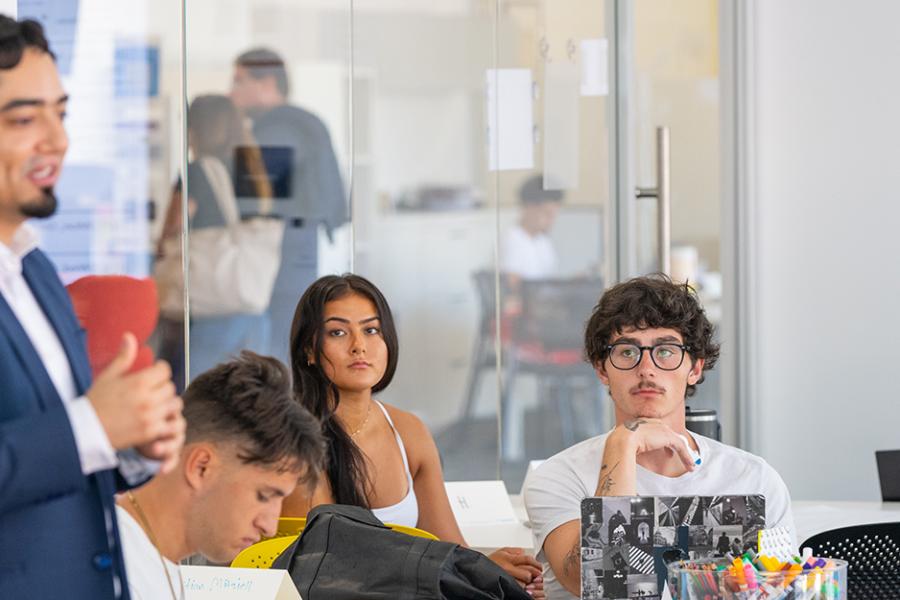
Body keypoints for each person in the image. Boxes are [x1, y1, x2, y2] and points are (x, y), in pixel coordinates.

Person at [0, 16, 184, 598]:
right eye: (26, 119)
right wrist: (92, 425)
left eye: (61, 112)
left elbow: (59, 454)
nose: (57, 140)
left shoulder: (34, 270)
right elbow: (72, 434)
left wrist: (128, 442)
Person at [523, 275, 795, 599]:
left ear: (694, 367)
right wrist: (623, 445)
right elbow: (600, 584)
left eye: (666, 351)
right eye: (627, 352)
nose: (647, 369)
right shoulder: (557, 479)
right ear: (601, 369)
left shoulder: (755, 479)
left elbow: (783, 591)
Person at [282, 273, 545, 598]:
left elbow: (448, 548)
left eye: (371, 330)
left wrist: (486, 568)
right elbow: (321, 571)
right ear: (309, 350)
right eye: (338, 332)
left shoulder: (409, 431)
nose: (359, 346)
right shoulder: (298, 442)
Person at [115, 351, 326, 599]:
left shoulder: (147, 564)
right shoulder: (108, 573)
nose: (269, 526)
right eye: (264, 495)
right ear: (201, 466)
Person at [230, 48, 348, 364]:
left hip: (279, 252)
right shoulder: (302, 122)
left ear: (267, 82)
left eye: (239, 80)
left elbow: (254, 199)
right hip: (298, 247)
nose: (232, 90)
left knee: (275, 352)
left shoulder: (277, 128)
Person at [157, 94, 274, 382]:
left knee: (197, 402)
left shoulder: (197, 172)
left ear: (196, 129)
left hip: (208, 312)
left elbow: (171, 230)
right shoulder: (254, 169)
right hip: (252, 309)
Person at [500, 175, 562, 283]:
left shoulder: (542, 240)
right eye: (547, 214)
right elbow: (512, 288)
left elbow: (550, 281)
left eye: (553, 215)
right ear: (529, 207)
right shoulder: (513, 239)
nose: (551, 221)